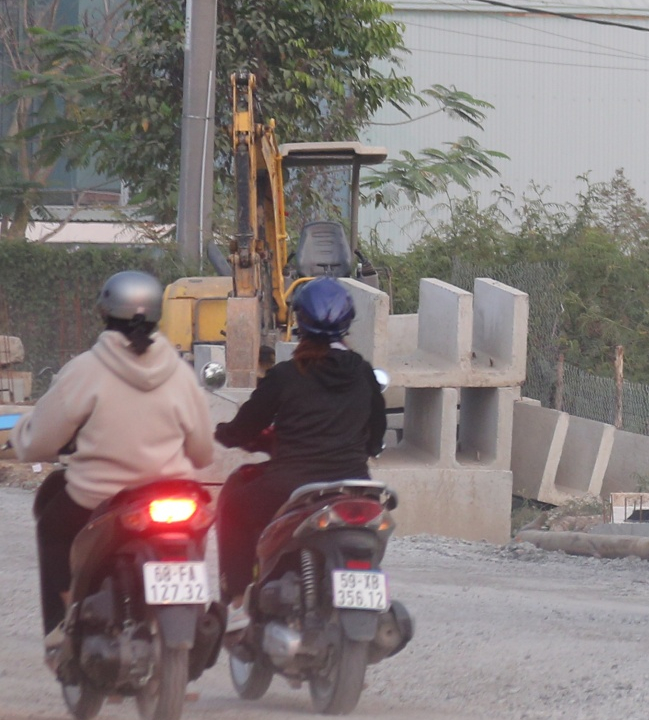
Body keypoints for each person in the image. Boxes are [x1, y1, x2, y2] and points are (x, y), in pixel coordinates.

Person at [16, 271, 215, 637]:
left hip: (99, 499)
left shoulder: (84, 371)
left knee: (53, 526)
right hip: (174, 496)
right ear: (158, 315)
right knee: (195, 529)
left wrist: (20, 437)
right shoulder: (182, 375)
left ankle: (62, 626)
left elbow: (39, 443)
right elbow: (203, 453)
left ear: (103, 313)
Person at [213, 277, 387, 612]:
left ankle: (235, 593)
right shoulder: (364, 374)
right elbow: (375, 437)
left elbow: (244, 426)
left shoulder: (286, 376)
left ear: (299, 322)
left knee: (234, 494)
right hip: (355, 487)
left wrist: (226, 433)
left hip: (291, 486)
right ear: (347, 322)